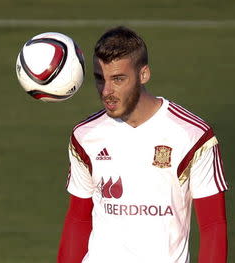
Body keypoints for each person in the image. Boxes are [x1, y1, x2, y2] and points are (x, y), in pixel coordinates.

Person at [57, 26, 228, 263]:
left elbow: (213, 226)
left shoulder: (192, 136)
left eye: (118, 79)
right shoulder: (85, 136)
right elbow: (78, 219)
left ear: (143, 74)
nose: (107, 91)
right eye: (100, 79)